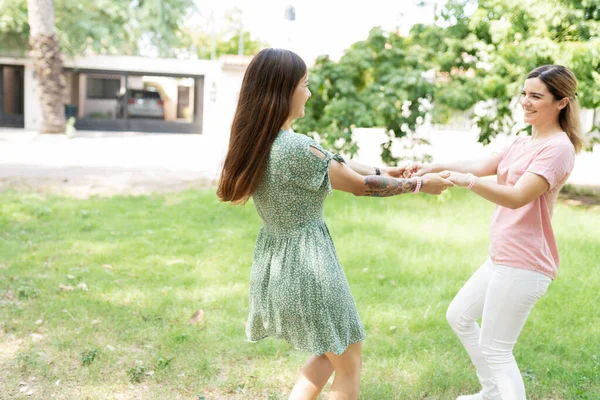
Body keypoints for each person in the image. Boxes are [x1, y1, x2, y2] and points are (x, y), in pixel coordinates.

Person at [217, 48, 453, 400]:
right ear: (283, 91)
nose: (308, 94)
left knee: (331, 349)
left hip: (280, 263)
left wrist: (384, 170)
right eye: (305, 85)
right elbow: (358, 187)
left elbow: (335, 164)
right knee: (348, 358)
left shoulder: (260, 143)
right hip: (309, 266)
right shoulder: (296, 148)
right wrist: (421, 185)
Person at [410, 65, 584, 400]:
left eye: (536, 96)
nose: (525, 102)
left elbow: (519, 195)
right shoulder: (523, 140)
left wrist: (470, 184)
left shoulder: (558, 148)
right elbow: (480, 165)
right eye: (524, 93)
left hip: (526, 263)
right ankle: (491, 392)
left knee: (497, 351)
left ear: (561, 102)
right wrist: (432, 166)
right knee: (459, 316)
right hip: (503, 256)